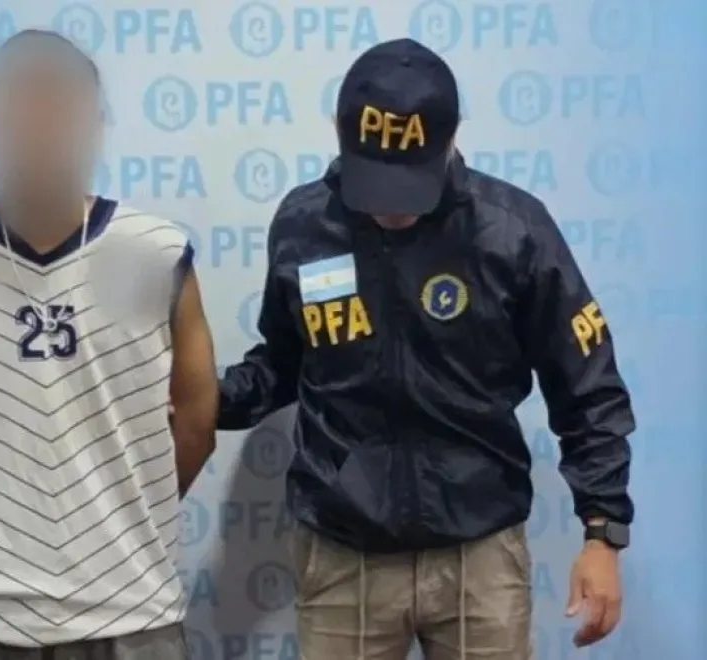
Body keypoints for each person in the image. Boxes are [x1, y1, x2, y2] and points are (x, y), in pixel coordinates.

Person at [218, 38, 635, 660]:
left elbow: (588, 387)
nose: (392, 209)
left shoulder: (512, 231)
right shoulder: (305, 224)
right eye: (375, 183)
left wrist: (602, 532)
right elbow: (283, 362)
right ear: (339, 133)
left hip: (479, 558)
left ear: (451, 139)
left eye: (410, 183)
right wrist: (202, 400)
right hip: (343, 554)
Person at [0, 30, 218, 660]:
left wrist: (123, 514)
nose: (39, 130)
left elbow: (197, 422)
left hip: (131, 612)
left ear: (94, 124)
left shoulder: (157, 253)